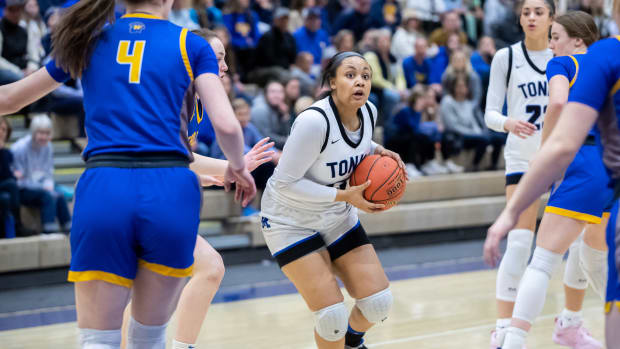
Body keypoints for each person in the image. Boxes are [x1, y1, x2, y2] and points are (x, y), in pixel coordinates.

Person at [0, 0, 256, 347]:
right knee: (148, 340)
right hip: (170, 188)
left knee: (97, 339)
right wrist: (238, 167)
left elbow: (11, 100)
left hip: (105, 185)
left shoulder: (87, 39)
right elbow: (227, 125)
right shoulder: (192, 44)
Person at [121, 28, 275, 349]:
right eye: (217, 58)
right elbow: (174, 157)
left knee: (179, 277)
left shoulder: (196, 104)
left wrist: (216, 176)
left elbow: (181, 164)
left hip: (152, 193)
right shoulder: (174, 93)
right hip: (136, 193)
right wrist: (233, 166)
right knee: (204, 268)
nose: (224, 67)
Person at [485, 0, 620, 345]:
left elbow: (558, 102)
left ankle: (513, 340)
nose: (551, 44)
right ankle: (575, 325)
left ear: (576, 41)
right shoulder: (610, 63)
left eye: (556, 36)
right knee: (592, 257)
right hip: (611, 167)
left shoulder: (563, 62)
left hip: (582, 160)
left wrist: (547, 152)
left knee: (542, 261)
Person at [260, 51, 404, 349]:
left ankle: (353, 343)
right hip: (289, 221)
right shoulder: (313, 121)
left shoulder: (369, 112)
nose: (360, 81)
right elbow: (283, 183)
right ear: (332, 83)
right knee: (331, 318)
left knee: (378, 303)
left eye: (365, 75)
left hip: (335, 216)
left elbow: (353, 143)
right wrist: (342, 194)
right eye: (350, 75)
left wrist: (377, 150)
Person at [482, 0, 554, 346]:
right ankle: (503, 326)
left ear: (552, 17)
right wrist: (508, 122)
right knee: (520, 242)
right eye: (526, 12)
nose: (531, 17)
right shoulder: (506, 57)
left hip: (561, 160)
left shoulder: (563, 57)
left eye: (539, 12)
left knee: (578, 244)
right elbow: (490, 114)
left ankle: (570, 320)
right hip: (522, 161)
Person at [251, 80, 291, 150]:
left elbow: (284, 133)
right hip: (261, 150)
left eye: (280, 92)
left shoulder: (278, 107)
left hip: (273, 148)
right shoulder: (260, 109)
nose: (276, 95)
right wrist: (288, 141)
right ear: (266, 94)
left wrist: (285, 115)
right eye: (273, 92)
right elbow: (265, 137)